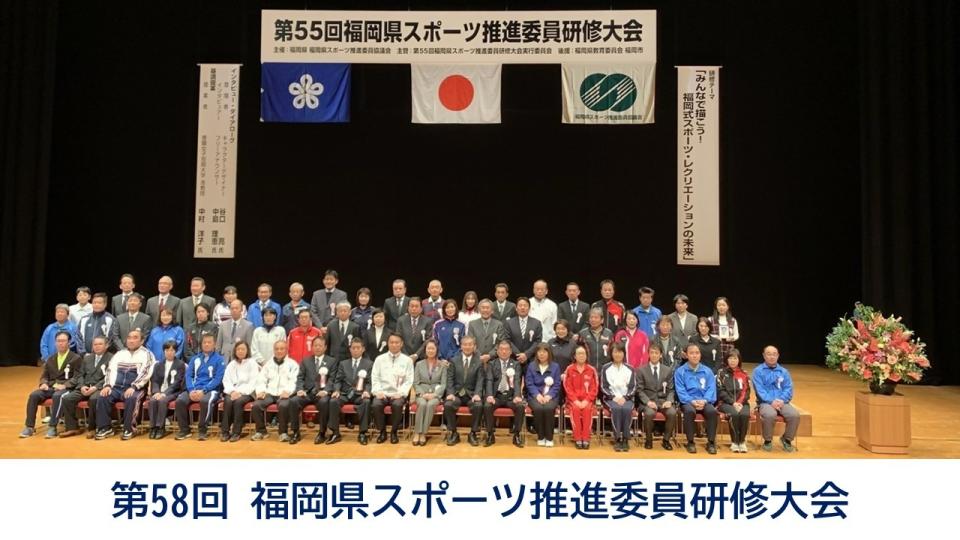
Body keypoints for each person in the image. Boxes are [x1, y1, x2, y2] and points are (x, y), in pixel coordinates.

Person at [94, 329, 156, 441]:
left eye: (135, 338)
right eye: (129, 338)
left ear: (142, 341)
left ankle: (130, 429)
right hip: (117, 387)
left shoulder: (147, 354)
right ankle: (105, 428)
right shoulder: (119, 354)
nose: (131, 340)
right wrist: (107, 386)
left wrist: (134, 386)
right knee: (103, 396)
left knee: (132, 398)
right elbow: (110, 370)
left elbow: (146, 373)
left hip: (137, 388)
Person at [20, 331, 82, 438]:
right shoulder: (51, 359)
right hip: (51, 386)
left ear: (69, 342)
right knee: (34, 395)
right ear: (55, 343)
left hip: (67, 388)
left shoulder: (76, 358)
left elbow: (77, 377)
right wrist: (43, 383)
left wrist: (65, 385)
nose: (60, 343)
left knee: (57, 396)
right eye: (58, 341)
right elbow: (44, 376)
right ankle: (29, 426)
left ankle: (52, 426)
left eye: (63, 341)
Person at [58, 336, 112, 438]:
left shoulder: (111, 358)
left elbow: (110, 376)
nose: (97, 346)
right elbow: (80, 374)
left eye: (100, 344)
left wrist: (95, 387)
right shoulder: (87, 358)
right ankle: (72, 427)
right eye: (95, 344)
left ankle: (93, 428)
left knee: (94, 399)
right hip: (85, 387)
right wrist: (82, 386)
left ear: (106, 346)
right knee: (67, 398)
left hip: (99, 387)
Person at [174, 334, 225, 441]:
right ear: (201, 344)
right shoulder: (195, 359)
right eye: (204, 342)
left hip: (212, 390)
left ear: (214, 344)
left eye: (209, 342)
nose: (206, 344)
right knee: (180, 401)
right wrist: (191, 390)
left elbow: (218, 379)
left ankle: (202, 430)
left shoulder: (220, 360)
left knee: (205, 401)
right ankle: (184, 430)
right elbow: (189, 376)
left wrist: (204, 391)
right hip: (194, 389)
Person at [290, 337, 339, 445]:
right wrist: (300, 389)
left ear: (325, 347)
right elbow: (300, 378)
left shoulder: (332, 361)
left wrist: (326, 391)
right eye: (315, 345)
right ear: (312, 347)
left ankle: (322, 433)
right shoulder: (306, 361)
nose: (317, 348)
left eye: (320, 345)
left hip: (322, 393)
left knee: (324, 402)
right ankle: (295, 432)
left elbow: (332, 379)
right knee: (294, 401)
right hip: (307, 392)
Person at [753, 345, 800, 453]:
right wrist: (771, 401)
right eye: (769, 354)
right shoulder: (758, 371)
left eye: (774, 354)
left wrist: (782, 400)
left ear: (778, 356)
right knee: (770, 414)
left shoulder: (784, 372)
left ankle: (786, 439)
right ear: (764, 356)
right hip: (765, 402)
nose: (772, 357)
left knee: (794, 415)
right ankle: (767, 441)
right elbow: (760, 390)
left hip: (782, 402)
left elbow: (788, 388)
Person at [250, 340, 299, 442]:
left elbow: (294, 380)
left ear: (286, 350)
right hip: (270, 392)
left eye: (282, 349)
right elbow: (261, 379)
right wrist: (261, 390)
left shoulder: (293, 364)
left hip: (284, 393)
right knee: (256, 405)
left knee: (284, 405)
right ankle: (261, 431)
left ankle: (283, 433)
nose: (279, 351)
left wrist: (288, 391)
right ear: (274, 350)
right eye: (277, 349)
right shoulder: (268, 364)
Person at [674, 343, 718, 454]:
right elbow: (680, 390)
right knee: (689, 411)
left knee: (712, 412)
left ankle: (711, 442)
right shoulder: (680, 371)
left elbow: (711, 388)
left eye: (697, 353)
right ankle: (690, 442)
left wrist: (705, 400)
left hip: (704, 400)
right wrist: (691, 401)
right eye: (691, 353)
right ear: (686, 355)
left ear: (700, 355)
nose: (695, 355)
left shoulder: (707, 371)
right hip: (688, 402)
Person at [371, 333, 414, 444]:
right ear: (388, 343)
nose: (394, 345)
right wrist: (378, 392)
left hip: (398, 394)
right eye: (391, 342)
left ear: (401, 344)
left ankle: (394, 432)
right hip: (382, 392)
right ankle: (382, 432)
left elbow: (409, 380)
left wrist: (401, 393)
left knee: (397, 405)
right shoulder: (379, 359)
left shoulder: (407, 360)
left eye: (397, 342)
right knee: (376, 404)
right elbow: (375, 377)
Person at [481, 340, 525, 448]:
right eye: (501, 349)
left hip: (511, 397)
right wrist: (489, 395)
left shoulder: (516, 364)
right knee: (487, 406)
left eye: (506, 349)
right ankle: (490, 434)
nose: (504, 352)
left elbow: (517, 381)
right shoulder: (492, 364)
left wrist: (517, 396)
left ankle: (517, 435)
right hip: (496, 396)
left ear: (511, 351)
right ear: (497, 351)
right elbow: (489, 380)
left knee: (520, 406)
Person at [443, 335, 485, 446]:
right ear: (461, 346)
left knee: (478, 405)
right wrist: (450, 393)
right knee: (448, 404)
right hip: (456, 394)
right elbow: (450, 379)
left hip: (471, 395)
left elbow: (480, 380)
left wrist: (477, 394)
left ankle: (473, 433)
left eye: (470, 344)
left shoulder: (479, 362)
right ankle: (453, 433)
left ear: (474, 346)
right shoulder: (454, 360)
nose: (467, 347)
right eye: (465, 344)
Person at [331, 339, 375, 445]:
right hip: (345, 394)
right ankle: (335, 433)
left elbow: (370, 382)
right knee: (333, 401)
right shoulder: (343, 363)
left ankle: (362, 433)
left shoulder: (369, 364)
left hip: (360, 394)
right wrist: (336, 390)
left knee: (366, 402)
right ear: (350, 349)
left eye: (358, 348)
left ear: (363, 349)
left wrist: (367, 391)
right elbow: (338, 380)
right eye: (353, 348)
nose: (355, 350)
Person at [637, 343, 677, 450]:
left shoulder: (667, 370)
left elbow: (671, 389)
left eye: (656, 353)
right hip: (648, 401)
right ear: (648, 354)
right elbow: (639, 390)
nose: (654, 355)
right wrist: (648, 402)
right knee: (649, 413)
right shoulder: (641, 370)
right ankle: (648, 440)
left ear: (660, 355)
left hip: (663, 401)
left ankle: (666, 440)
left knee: (672, 412)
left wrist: (669, 401)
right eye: (652, 353)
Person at [217, 341, 257, 442]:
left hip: (247, 392)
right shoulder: (231, 364)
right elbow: (226, 380)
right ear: (235, 351)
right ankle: (225, 432)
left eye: (243, 349)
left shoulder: (252, 363)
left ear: (247, 351)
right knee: (228, 401)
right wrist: (232, 392)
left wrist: (240, 392)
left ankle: (236, 432)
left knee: (238, 402)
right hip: (232, 392)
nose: (240, 351)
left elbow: (253, 382)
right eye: (238, 349)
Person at [601, 342, 637, 452]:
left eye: (620, 352)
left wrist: (625, 398)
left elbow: (633, 387)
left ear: (624, 353)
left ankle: (625, 439)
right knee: (616, 408)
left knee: (626, 409)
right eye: (615, 352)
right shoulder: (605, 368)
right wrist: (613, 397)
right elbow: (603, 386)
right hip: (611, 398)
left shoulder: (630, 368)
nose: (618, 354)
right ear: (611, 353)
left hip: (626, 398)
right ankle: (617, 438)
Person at [146, 341, 186, 439]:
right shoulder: (158, 364)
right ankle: (153, 427)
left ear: (175, 351)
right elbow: (154, 381)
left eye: (172, 350)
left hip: (173, 392)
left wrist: (164, 393)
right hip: (159, 392)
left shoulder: (180, 364)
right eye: (167, 350)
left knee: (162, 401)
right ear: (164, 351)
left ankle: (161, 427)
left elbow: (177, 382)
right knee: (152, 401)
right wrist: (156, 392)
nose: (169, 352)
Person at [412, 340, 448, 446]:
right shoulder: (419, 364)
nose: (430, 350)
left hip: (435, 395)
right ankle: (417, 433)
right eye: (428, 348)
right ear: (425, 350)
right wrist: (422, 394)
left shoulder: (442, 365)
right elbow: (416, 383)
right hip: (421, 393)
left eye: (433, 348)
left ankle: (423, 433)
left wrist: (435, 395)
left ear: (436, 350)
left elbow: (443, 384)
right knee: (422, 404)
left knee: (431, 404)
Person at [563, 344, 599, 449]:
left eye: (583, 353)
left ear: (586, 355)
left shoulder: (591, 370)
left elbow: (595, 387)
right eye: (579, 353)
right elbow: (567, 387)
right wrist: (575, 400)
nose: (581, 356)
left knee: (587, 410)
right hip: (573, 401)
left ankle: (586, 438)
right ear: (574, 356)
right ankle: (578, 438)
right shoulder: (569, 369)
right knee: (575, 409)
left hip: (588, 401)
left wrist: (587, 400)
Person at [525, 344, 561, 447]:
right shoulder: (531, 366)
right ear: (536, 353)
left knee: (548, 408)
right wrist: (537, 395)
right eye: (539, 351)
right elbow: (529, 383)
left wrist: (549, 396)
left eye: (544, 352)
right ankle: (540, 436)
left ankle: (549, 438)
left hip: (551, 396)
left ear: (549, 353)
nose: (542, 354)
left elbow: (557, 384)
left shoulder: (555, 366)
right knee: (538, 408)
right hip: (535, 396)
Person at [717, 348, 751, 453]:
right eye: (730, 358)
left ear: (739, 360)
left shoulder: (744, 373)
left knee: (745, 414)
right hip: (725, 403)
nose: (733, 361)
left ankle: (742, 442)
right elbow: (721, 391)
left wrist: (739, 403)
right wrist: (733, 403)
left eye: (735, 358)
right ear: (726, 359)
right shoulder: (721, 373)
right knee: (734, 414)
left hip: (742, 403)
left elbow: (747, 391)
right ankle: (735, 442)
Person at [503, 297, 542, 364]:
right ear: (516, 308)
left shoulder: (536, 323)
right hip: (513, 359)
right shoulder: (509, 323)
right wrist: (518, 355)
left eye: (525, 305)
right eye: (520, 305)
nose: (522, 307)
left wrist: (526, 355)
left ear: (529, 308)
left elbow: (538, 341)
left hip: (531, 360)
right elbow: (507, 340)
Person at [396, 297, 432, 361]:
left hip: (421, 358)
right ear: (408, 308)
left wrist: (416, 355)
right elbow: (398, 339)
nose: (414, 308)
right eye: (412, 306)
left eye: (416, 306)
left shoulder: (428, 321)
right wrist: (407, 356)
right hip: (404, 357)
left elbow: (427, 340)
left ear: (421, 309)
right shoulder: (401, 320)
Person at [578, 308, 613, 372]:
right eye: (591, 317)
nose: (593, 320)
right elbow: (578, 353)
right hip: (587, 369)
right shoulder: (583, 333)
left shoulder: (609, 333)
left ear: (602, 320)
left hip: (605, 369)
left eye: (596, 318)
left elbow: (612, 351)